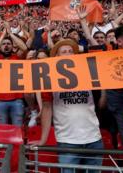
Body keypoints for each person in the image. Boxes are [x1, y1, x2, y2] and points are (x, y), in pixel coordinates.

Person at [37, 39, 103, 173]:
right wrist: (43, 139)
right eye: (64, 52)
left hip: (94, 138)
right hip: (67, 141)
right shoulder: (49, 79)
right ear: (56, 57)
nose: (68, 54)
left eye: (71, 51)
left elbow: (101, 53)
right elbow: (47, 108)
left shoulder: (88, 73)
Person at [0, 22, 28, 127]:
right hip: (0, 100)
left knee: (18, 129)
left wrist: (10, 33)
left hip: (17, 99)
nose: (6, 46)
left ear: (12, 46)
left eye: (8, 44)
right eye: (4, 44)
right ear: (0, 46)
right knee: (2, 129)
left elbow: (24, 48)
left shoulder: (17, 57)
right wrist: (2, 36)